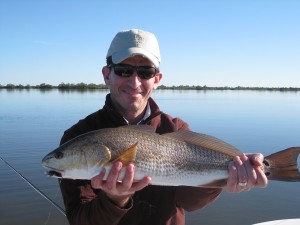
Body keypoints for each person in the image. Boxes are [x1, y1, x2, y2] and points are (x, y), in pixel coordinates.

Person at [59, 29, 268, 225]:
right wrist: (115, 199)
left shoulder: (175, 128)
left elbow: (188, 202)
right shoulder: (78, 136)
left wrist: (225, 178)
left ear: (157, 79)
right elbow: (79, 219)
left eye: (145, 72)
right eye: (124, 70)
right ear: (106, 75)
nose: (134, 82)